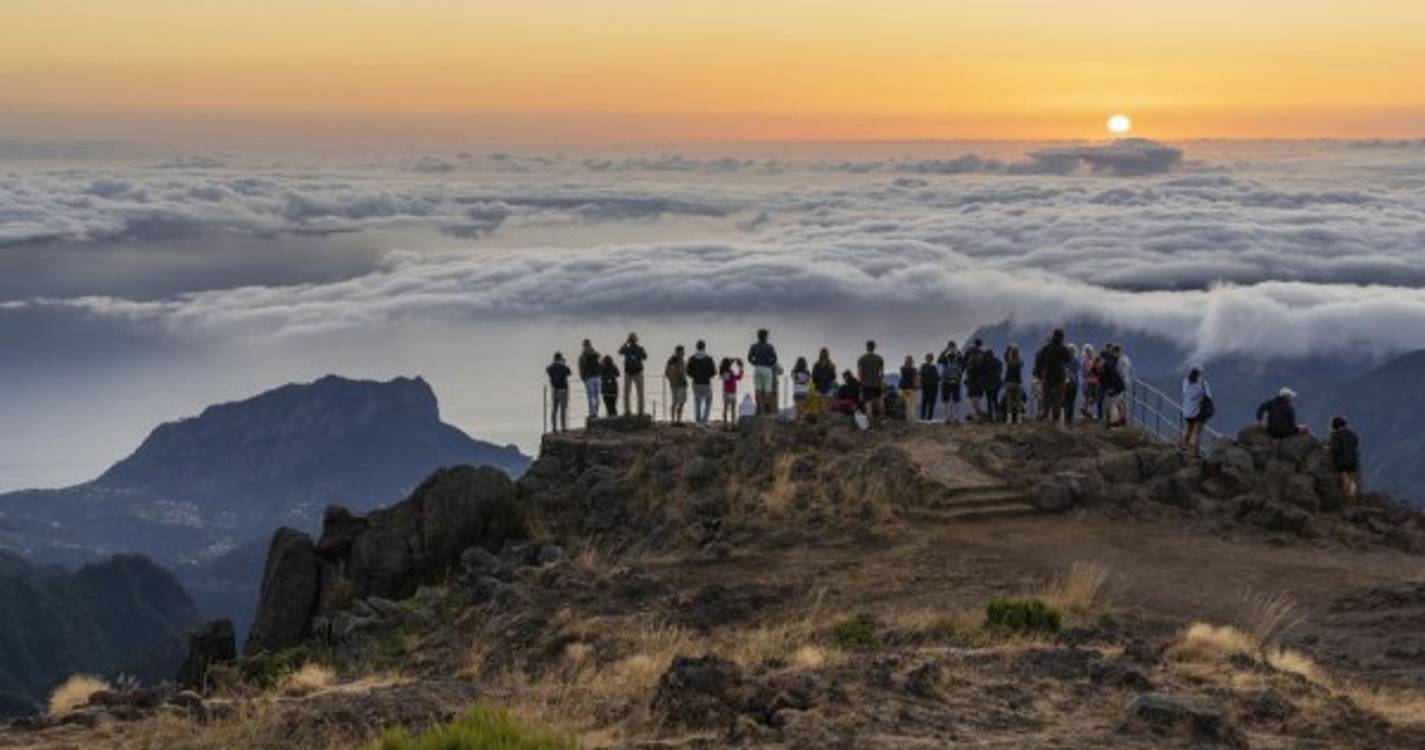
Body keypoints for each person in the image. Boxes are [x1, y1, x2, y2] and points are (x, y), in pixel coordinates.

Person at [1033, 329, 1073, 424]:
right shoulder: (1063, 349)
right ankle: (1055, 418)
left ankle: (1045, 414)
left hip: (1048, 376)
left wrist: (1038, 374)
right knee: (1058, 398)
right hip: (1060, 376)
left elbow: (1039, 362)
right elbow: (1068, 359)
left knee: (1046, 396)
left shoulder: (1046, 349)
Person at [1181, 366, 1212, 458]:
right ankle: (1194, 453)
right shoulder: (1202, 384)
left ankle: (1184, 447)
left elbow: (1184, 393)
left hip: (1187, 411)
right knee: (1197, 432)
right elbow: (1208, 396)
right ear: (1199, 374)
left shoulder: (1185, 382)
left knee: (1188, 429)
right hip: (1199, 411)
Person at [748, 329, 779, 415]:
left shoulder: (753, 346)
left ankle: (761, 410)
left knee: (758, 390)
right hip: (767, 369)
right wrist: (769, 364)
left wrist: (755, 363)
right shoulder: (770, 347)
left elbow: (749, 358)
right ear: (766, 336)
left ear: (758, 336)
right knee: (767, 391)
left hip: (757, 368)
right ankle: (766, 410)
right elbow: (775, 358)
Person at [1330, 416, 1361, 502]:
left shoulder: (1335, 435)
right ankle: (1353, 494)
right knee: (1352, 478)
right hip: (1353, 460)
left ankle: (1346, 496)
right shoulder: (1352, 434)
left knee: (1343, 477)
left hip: (1342, 462)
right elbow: (1356, 442)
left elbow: (1335, 449)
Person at [686, 340, 717, 425]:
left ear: (696, 347)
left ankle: (698, 420)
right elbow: (713, 372)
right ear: (704, 347)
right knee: (708, 401)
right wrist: (707, 376)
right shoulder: (708, 359)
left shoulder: (692, 358)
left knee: (697, 402)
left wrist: (694, 376)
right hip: (706, 383)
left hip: (696, 382)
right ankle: (705, 419)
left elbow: (688, 371)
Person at [619, 333, 648, 416]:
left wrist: (639, 355)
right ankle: (628, 410)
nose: (632, 342)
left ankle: (640, 411)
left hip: (638, 372)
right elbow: (620, 352)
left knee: (640, 393)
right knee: (627, 393)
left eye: (633, 340)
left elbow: (645, 357)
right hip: (628, 372)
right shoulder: (626, 348)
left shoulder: (640, 349)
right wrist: (625, 343)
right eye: (631, 340)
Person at [858, 340, 886, 420]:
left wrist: (861, 383)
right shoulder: (879, 359)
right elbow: (882, 373)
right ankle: (882, 418)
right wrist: (880, 381)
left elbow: (860, 373)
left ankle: (870, 420)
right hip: (877, 383)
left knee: (868, 402)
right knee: (879, 400)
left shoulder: (862, 359)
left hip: (866, 383)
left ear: (867, 347)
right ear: (874, 347)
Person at [546, 352, 572, 432]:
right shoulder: (563, 367)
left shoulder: (551, 367)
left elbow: (547, 370)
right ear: (560, 358)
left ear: (554, 359)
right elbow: (569, 373)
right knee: (563, 409)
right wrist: (564, 363)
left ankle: (554, 427)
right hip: (563, 389)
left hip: (554, 389)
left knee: (554, 409)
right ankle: (563, 427)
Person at [938, 341, 963, 423]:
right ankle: (956, 417)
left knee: (947, 400)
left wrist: (945, 350)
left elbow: (939, 360)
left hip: (946, 381)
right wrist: (957, 350)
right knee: (956, 400)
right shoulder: (958, 357)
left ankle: (947, 418)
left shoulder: (946, 359)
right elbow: (963, 363)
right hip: (956, 381)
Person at [578, 339, 603, 419]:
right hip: (597, 376)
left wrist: (582, 377)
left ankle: (592, 413)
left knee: (591, 396)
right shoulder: (594, 353)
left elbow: (581, 366)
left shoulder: (584, 355)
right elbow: (599, 356)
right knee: (597, 396)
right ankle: (596, 412)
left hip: (589, 377)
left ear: (584, 345)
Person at [665, 345, 689, 424]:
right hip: (676, 384)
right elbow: (668, 372)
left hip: (681, 383)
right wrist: (672, 380)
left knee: (681, 402)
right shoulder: (672, 360)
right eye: (682, 351)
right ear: (678, 352)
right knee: (675, 402)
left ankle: (678, 420)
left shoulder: (681, 360)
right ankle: (673, 420)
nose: (683, 353)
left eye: (683, 351)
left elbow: (683, 371)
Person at [963, 339, 985, 421]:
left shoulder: (969, 352)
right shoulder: (982, 353)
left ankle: (975, 413)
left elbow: (964, 362)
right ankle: (978, 413)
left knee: (971, 396)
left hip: (971, 377)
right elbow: (984, 366)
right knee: (978, 396)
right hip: (979, 378)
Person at [1003, 346, 1025, 424]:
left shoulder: (1009, 361)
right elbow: (1022, 363)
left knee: (1009, 401)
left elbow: (1005, 357)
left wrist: (1008, 349)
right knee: (1018, 401)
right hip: (1017, 383)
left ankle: (1009, 418)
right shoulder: (1019, 362)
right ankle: (1019, 419)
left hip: (1009, 382)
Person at [720, 357, 744, 425]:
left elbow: (727, 363)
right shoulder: (731, 373)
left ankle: (725, 424)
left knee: (725, 409)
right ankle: (733, 424)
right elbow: (739, 377)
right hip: (733, 392)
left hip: (726, 393)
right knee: (733, 410)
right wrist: (740, 368)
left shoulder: (723, 372)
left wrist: (734, 360)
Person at [983, 346, 1003, 423]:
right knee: (995, 400)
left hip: (988, 385)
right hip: (997, 384)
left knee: (989, 401)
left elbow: (983, 373)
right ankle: (998, 417)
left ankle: (990, 417)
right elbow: (1000, 371)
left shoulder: (985, 364)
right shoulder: (997, 362)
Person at [918, 353, 940, 423]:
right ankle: (927, 419)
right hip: (930, 388)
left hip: (927, 388)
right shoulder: (933, 367)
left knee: (926, 403)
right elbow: (937, 377)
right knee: (929, 404)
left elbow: (920, 376)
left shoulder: (923, 366)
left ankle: (924, 418)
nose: (930, 359)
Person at [1080, 344, 1099, 421]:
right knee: (1089, 396)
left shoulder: (1094, 360)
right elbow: (1085, 372)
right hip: (1090, 381)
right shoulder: (1085, 362)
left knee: (1092, 397)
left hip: (1094, 381)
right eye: (1087, 352)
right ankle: (1087, 410)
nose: (1089, 353)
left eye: (1089, 351)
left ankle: (1087, 410)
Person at [1063, 344, 1080, 426]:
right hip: (1067, 384)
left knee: (1070, 403)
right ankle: (1067, 419)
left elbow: (1077, 368)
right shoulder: (1068, 361)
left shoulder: (1075, 361)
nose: (1070, 352)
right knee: (1066, 402)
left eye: (1071, 351)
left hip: (1073, 384)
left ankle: (1069, 420)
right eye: (1069, 351)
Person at [899, 355, 918, 421]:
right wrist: (916, 387)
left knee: (906, 404)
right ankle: (912, 418)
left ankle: (907, 418)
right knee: (911, 404)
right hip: (911, 388)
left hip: (904, 388)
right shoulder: (914, 370)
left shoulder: (902, 368)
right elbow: (915, 379)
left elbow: (902, 376)